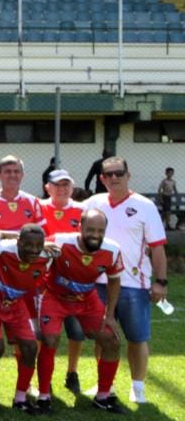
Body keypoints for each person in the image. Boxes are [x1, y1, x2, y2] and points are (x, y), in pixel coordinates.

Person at [84, 156, 167, 404]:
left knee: (137, 337)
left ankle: (137, 387)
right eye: (108, 174)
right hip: (99, 282)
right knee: (103, 335)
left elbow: (158, 248)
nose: (114, 178)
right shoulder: (94, 202)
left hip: (133, 284)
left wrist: (161, 282)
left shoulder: (145, 205)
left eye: (118, 173)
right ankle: (102, 384)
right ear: (101, 179)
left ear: (128, 175)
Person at [39, 210, 126, 413]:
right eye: (90, 230)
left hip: (87, 299)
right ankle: (44, 396)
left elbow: (114, 280)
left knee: (112, 341)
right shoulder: (61, 241)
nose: (95, 235)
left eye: (100, 231)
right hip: (54, 297)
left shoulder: (112, 249)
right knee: (50, 340)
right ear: (79, 227)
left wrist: (110, 315)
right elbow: (34, 252)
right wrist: (41, 247)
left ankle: (103, 396)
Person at [0, 224, 53, 414]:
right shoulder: (1, 249)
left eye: (38, 245)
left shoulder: (46, 257)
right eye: (28, 245)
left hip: (15, 304)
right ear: (18, 242)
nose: (33, 250)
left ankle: (21, 399)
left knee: (31, 347)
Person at [40, 168, 87, 393]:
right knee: (46, 334)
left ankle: (72, 372)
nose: (62, 189)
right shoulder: (38, 208)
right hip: (44, 281)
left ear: (73, 187)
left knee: (76, 332)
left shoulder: (83, 210)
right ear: (47, 187)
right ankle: (44, 377)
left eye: (66, 184)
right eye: (57, 185)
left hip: (74, 281)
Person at [0, 155, 45, 233]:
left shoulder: (33, 202)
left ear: (22, 175)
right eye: (7, 172)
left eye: (16, 171)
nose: (12, 175)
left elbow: (42, 233)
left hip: (27, 244)